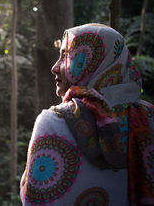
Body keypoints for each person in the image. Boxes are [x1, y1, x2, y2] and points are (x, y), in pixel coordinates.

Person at [20, 23, 154, 205]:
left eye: (65, 56)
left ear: (87, 60)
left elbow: (33, 198)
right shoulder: (148, 117)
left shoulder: (53, 122)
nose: (54, 67)